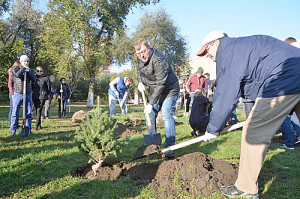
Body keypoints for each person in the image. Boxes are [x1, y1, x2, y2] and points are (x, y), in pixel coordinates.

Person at [197, 31, 300, 198]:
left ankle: (246, 187)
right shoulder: (240, 47)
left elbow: (226, 92)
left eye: (207, 49)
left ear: (216, 43)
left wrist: (213, 127)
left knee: (254, 132)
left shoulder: (228, 52)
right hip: (295, 71)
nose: (206, 55)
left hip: (284, 78)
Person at [134, 38, 179, 158]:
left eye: (143, 51)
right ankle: (153, 146)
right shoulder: (139, 59)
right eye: (138, 53)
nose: (141, 55)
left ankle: (169, 147)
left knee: (166, 114)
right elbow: (139, 71)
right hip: (155, 91)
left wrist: (151, 103)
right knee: (150, 114)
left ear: (149, 48)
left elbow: (161, 84)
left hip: (169, 90)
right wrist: (140, 82)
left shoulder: (159, 60)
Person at [10, 55, 36, 136]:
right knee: (15, 113)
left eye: (27, 61)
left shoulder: (30, 70)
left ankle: (28, 130)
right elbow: (17, 75)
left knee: (29, 113)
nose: (26, 63)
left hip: (28, 93)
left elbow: (34, 79)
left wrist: (28, 72)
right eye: (25, 61)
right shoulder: (15, 68)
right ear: (21, 62)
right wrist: (23, 69)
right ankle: (13, 130)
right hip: (18, 93)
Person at [7, 61, 21, 128]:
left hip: (17, 92)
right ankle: (12, 124)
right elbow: (9, 84)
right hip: (13, 93)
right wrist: (12, 94)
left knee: (16, 109)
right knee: (13, 109)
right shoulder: (11, 73)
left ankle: (16, 124)